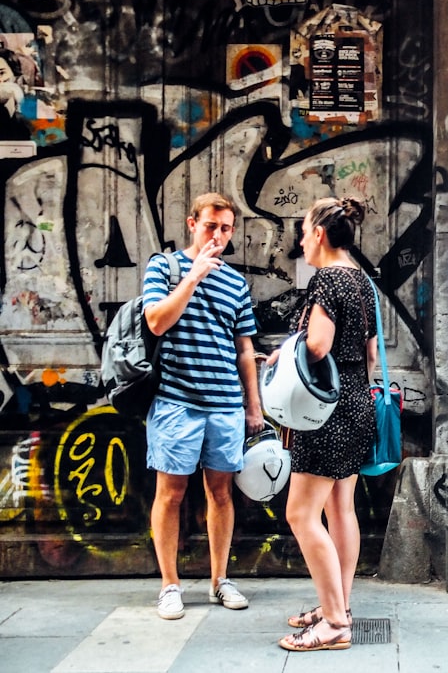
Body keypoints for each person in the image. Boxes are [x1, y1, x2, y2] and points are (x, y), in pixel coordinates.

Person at [142, 192, 265, 620]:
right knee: (170, 494)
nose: (218, 235)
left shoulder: (235, 283)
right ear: (192, 223)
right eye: (211, 225)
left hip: (225, 405)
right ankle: (170, 585)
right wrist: (192, 277)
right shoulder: (165, 267)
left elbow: (244, 348)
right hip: (177, 401)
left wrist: (253, 406)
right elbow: (156, 320)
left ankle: (219, 580)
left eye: (226, 228)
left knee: (221, 493)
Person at [270, 196, 377, 652]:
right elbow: (371, 354)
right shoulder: (361, 281)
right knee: (340, 510)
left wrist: (283, 353)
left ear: (318, 232)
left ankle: (334, 624)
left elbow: (316, 346)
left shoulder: (327, 280)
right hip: (355, 404)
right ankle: (339, 605)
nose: (300, 241)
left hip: (325, 412)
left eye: (302, 231)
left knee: (300, 512)